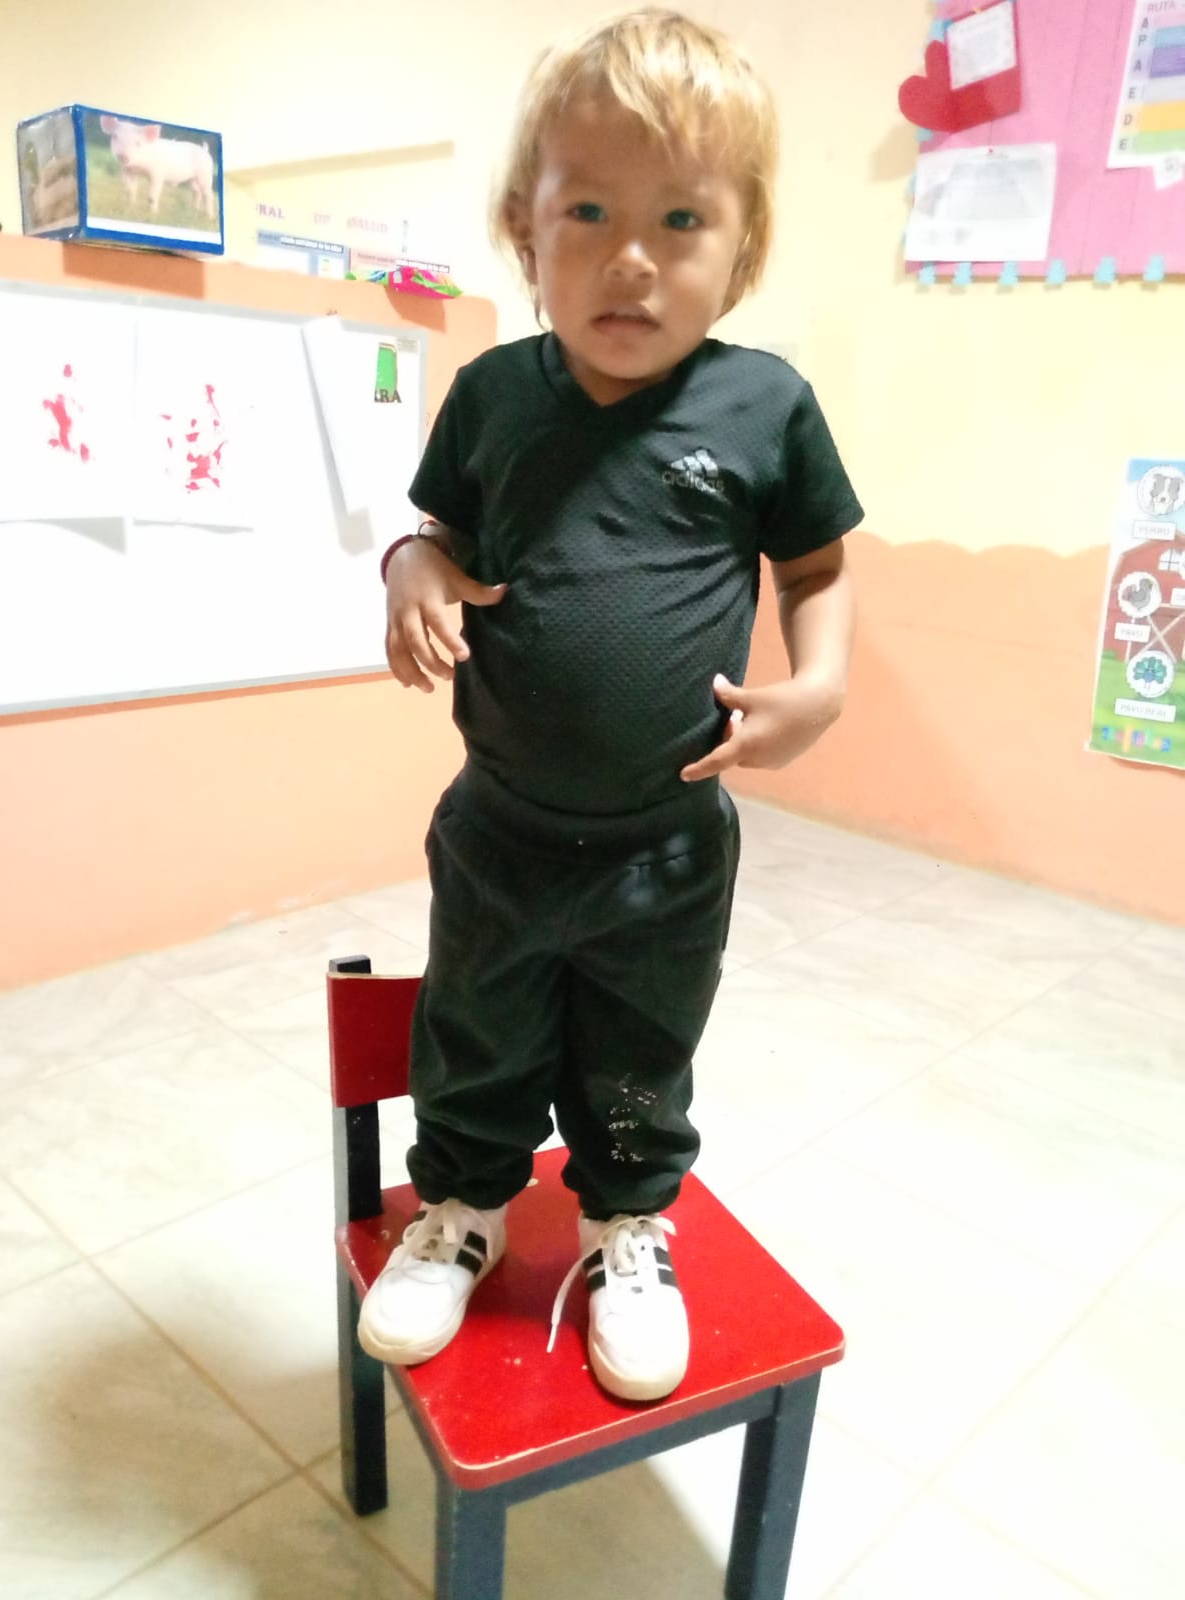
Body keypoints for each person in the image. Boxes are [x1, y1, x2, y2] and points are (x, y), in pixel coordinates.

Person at [359, 7, 863, 1402]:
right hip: (501, 830)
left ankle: (627, 1227)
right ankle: (461, 1209)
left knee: (641, 1054)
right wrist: (410, 568)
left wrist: (820, 682)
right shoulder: (492, 398)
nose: (631, 256)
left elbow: (817, 568)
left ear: (740, 250)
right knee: (475, 1034)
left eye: (680, 219)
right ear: (524, 232)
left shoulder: (765, 407)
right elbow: (440, 538)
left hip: (667, 845)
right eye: (587, 210)